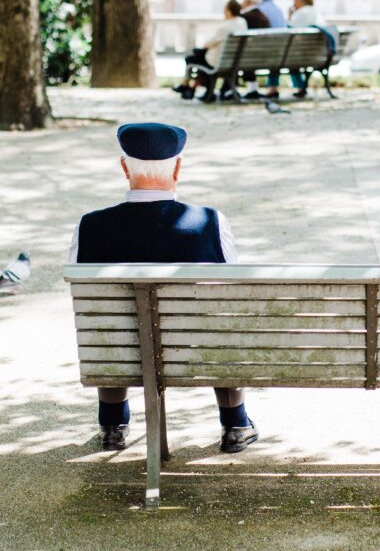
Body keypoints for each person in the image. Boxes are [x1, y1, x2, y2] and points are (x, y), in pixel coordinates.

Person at [68, 123, 257, 454]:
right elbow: (230, 290)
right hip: (196, 352)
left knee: (110, 324)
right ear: (178, 168)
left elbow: (86, 298)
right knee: (222, 320)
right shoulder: (210, 222)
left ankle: (112, 425)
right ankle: (235, 423)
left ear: (125, 168)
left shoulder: (90, 226)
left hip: (122, 354)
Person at [178, 0, 245, 103]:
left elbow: (208, 44)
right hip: (235, 61)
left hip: (218, 62)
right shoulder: (242, 23)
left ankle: (187, 86)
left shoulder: (225, 27)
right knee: (197, 57)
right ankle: (189, 87)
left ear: (228, 11)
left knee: (193, 58)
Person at [262, 0, 321, 99]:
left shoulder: (300, 13)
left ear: (301, 1)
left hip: (297, 52)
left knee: (276, 59)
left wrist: (290, 16)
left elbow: (288, 30)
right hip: (311, 53)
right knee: (292, 60)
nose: (293, 3)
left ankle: (273, 88)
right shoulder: (314, 12)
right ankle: (300, 87)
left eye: (295, 0)